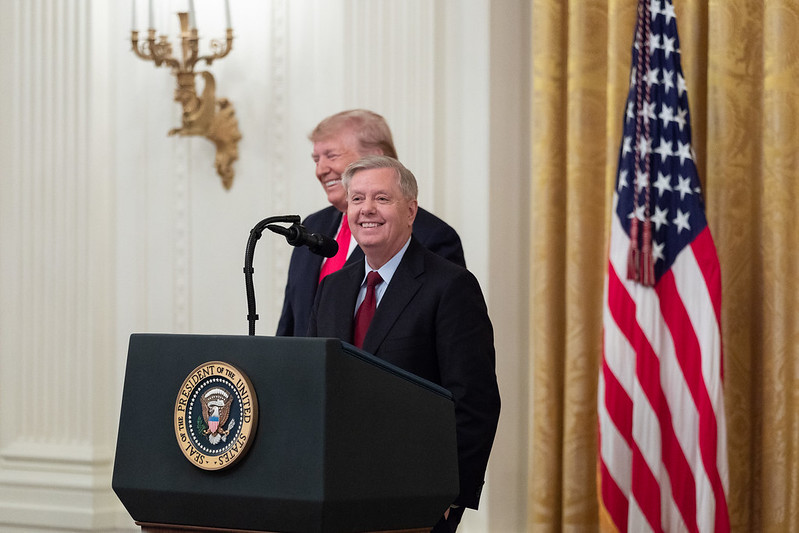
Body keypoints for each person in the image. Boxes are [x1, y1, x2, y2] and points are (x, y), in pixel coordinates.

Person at [308, 155, 500, 532]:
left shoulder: (450, 287)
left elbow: (474, 401)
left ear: (410, 211)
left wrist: (450, 495)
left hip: (415, 500)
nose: (366, 209)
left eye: (381, 198)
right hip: (334, 497)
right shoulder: (332, 288)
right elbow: (314, 388)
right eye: (357, 199)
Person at [276, 109, 465, 337]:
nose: (320, 170)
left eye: (331, 156)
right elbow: (289, 325)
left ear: (374, 157)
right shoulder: (313, 226)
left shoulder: (432, 236)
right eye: (316, 159)